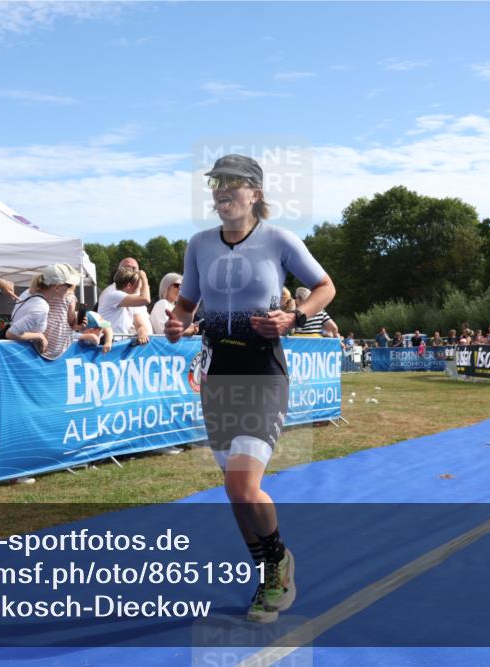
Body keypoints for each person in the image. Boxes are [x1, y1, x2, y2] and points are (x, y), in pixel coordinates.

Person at [164, 154, 335, 624]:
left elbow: (324, 287)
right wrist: (178, 323)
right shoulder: (199, 244)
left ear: (255, 194)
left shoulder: (280, 239)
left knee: (243, 483)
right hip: (219, 373)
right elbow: (187, 302)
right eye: (217, 183)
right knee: (234, 490)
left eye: (233, 184)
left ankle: (279, 563)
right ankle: (267, 575)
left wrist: (295, 317)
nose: (222, 191)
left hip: (262, 371)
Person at [6, 264, 91, 360]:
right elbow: (11, 333)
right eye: (68, 285)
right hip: (27, 356)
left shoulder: (29, 293)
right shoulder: (42, 307)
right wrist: (40, 336)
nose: (70, 290)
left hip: (23, 353)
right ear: (57, 287)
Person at [97, 266, 152, 344]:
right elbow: (146, 299)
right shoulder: (113, 295)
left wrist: (142, 331)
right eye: (138, 285)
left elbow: (139, 324)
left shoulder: (127, 299)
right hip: (108, 343)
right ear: (129, 285)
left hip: (118, 343)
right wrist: (144, 278)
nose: (140, 288)